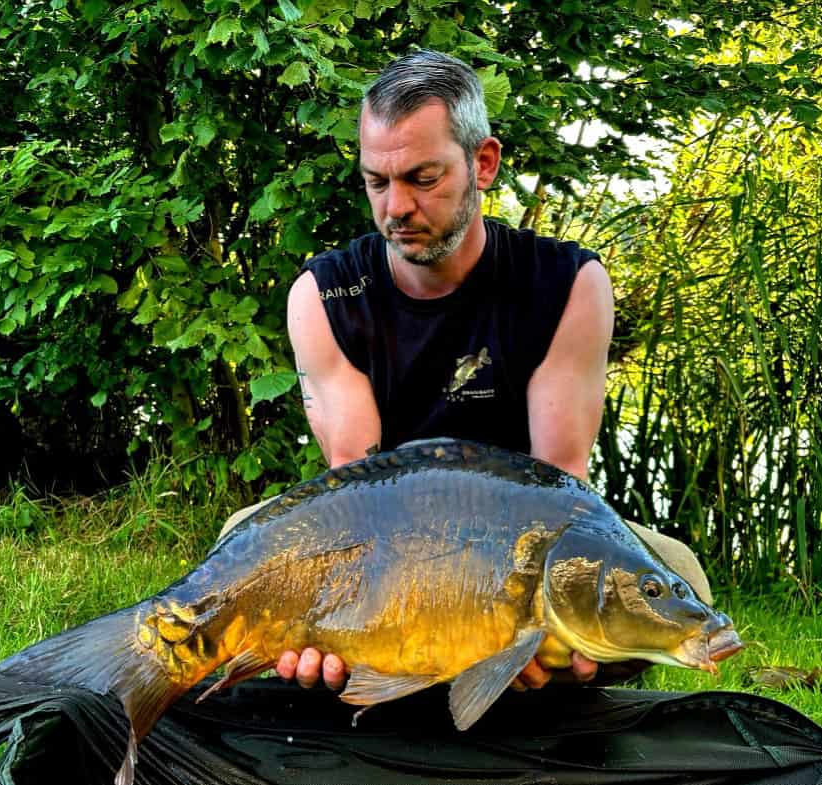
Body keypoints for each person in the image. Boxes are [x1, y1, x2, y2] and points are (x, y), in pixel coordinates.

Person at [221, 49, 711, 693]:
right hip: (386, 550)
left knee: (679, 575)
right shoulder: (324, 294)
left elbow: (561, 485)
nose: (396, 206)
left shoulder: (567, 283)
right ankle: (384, 666)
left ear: (483, 164)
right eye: (377, 182)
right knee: (238, 543)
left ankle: (477, 672)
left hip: (515, 549)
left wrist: (510, 621)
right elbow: (352, 483)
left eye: (423, 178)